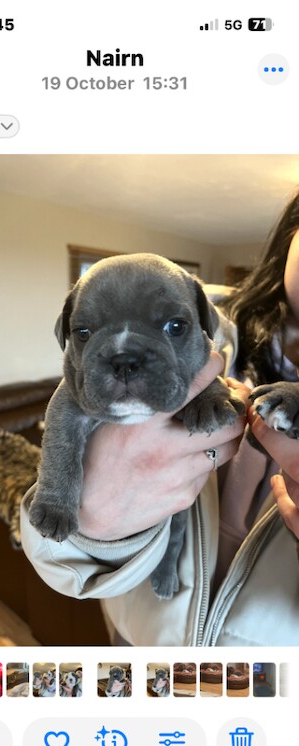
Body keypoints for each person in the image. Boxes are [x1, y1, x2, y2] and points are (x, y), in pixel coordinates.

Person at [21, 191, 299, 646]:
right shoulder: (187, 296)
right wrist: (92, 527)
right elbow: (49, 544)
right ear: (292, 230)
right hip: (143, 640)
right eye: (86, 332)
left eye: (172, 328)